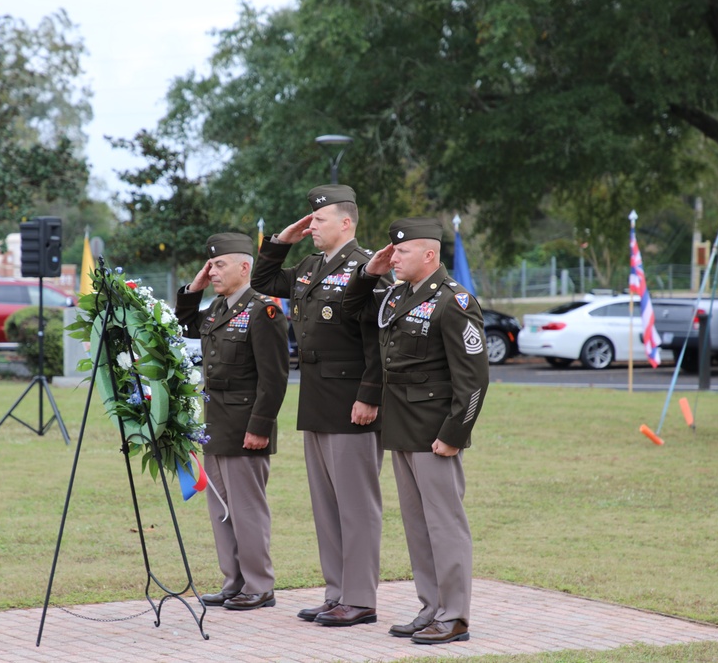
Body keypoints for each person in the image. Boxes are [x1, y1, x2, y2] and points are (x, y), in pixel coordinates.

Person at [343, 217, 490, 645]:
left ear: (429, 255)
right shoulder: (395, 296)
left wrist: (455, 434)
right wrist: (372, 269)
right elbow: (354, 308)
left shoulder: (454, 302)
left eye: (402, 251)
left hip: (434, 434)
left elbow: (474, 380)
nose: (393, 256)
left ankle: (455, 615)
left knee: (445, 524)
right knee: (417, 525)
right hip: (401, 429)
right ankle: (431, 607)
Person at [251, 184, 386, 627]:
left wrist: (369, 395)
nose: (312, 227)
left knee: (356, 504)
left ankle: (361, 598)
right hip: (316, 397)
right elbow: (263, 282)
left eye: (319, 220)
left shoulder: (369, 268)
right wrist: (281, 241)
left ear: (346, 222)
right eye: (309, 221)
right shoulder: (309, 266)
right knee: (326, 505)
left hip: (352, 401)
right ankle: (337, 593)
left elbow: (379, 341)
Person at [175, 233, 290, 610]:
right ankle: (234, 581)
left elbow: (274, 379)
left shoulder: (264, 312)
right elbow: (186, 324)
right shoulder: (220, 309)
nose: (213, 271)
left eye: (219, 264)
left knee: (246, 507)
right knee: (222, 506)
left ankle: (259, 585)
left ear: (245, 267)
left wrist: (259, 427)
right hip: (216, 424)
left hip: (245, 426)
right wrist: (195, 286)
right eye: (210, 265)